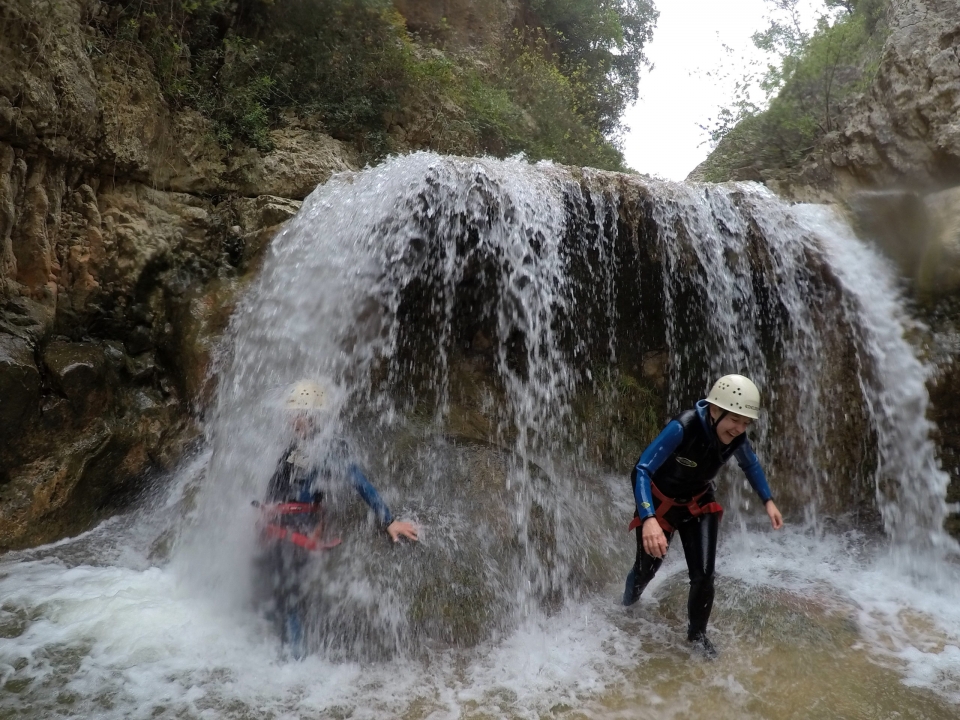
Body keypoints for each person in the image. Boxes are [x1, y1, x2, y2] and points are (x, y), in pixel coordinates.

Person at [623, 374, 783, 658]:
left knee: (704, 576)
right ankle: (626, 608)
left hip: (698, 504)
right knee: (646, 571)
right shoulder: (683, 427)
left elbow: (751, 464)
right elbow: (642, 470)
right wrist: (648, 519)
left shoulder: (737, 439)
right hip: (660, 506)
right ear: (714, 410)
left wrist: (768, 501)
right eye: (735, 419)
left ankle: (697, 637)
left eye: (746, 422)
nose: (739, 428)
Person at [256, 379, 418, 657]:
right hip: (285, 522)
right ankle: (282, 650)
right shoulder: (295, 447)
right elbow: (277, 482)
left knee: (289, 590)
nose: (291, 419)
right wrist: (267, 512)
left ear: (311, 417)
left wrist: (389, 520)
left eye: (296, 414)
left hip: (302, 526)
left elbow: (358, 482)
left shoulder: (330, 446)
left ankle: (294, 659)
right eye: (291, 414)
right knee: (276, 584)